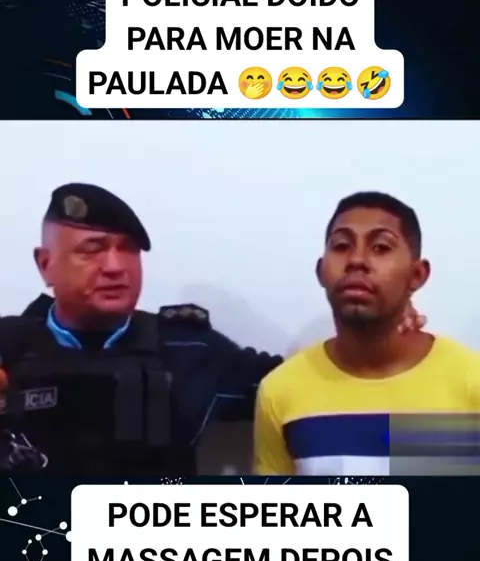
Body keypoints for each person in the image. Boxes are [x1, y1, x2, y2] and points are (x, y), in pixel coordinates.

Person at [0, 183, 425, 476]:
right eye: (92, 250)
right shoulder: (10, 347)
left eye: (127, 250)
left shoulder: (187, 348)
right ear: (45, 264)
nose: (115, 266)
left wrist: (382, 335)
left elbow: (304, 386)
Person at [253, 191, 480, 476]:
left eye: (381, 247)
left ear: (417, 275)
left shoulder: (471, 382)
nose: (356, 260)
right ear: (321, 271)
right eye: (341, 246)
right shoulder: (280, 391)